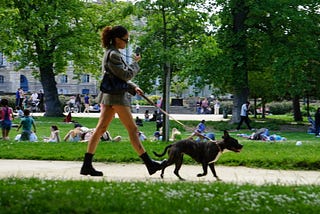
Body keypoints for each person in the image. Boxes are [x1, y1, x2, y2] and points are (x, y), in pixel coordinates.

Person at [80, 25, 164, 176]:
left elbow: (117, 77)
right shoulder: (114, 55)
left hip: (110, 96)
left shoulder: (112, 53)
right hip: (116, 97)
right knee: (132, 129)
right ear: (117, 39)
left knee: (101, 129)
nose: (127, 43)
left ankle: (86, 165)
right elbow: (125, 75)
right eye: (125, 40)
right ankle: (149, 164)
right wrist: (136, 63)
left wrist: (133, 87)